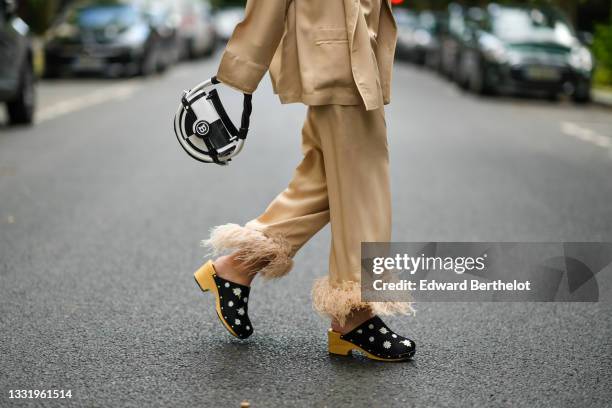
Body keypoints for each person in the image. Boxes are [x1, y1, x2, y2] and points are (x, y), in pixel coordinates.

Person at [193, 0, 416, 361]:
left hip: (351, 53)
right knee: (362, 184)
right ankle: (354, 314)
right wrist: (242, 69)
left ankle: (238, 267)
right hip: (340, 60)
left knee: (328, 179)